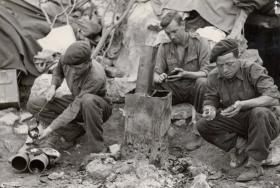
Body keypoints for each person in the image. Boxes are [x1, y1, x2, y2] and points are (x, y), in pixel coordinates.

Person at [197, 39, 280, 182]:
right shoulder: (214, 76)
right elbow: (211, 99)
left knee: (259, 112)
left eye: (229, 64)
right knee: (203, 124)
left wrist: (244, 104)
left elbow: (272, 97)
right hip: (240, 122)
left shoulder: (252, 69)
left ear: (239, 58)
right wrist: (209, 109)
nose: (225, 70)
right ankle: (242, 148)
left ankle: (254, 166)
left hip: (266, 122)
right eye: (220, 65)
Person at [27, 41, 112, 153]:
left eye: (78, 68)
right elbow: (58, 71)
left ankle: (97, 150)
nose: (74, 71)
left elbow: (74, 108)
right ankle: (73, 132)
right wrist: (53, 87)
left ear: (88, 62)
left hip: (97, 107)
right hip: (77, 99)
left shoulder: (96, 77)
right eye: (72, 68)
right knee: (33, 104)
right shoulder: (67, 60)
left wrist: (50, 129)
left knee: (88, 101)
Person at [154, 12, 211, 113]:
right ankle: (160, 118)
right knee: (154, 85)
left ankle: (200, 117)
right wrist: (159, 78)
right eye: (168, 33)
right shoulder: (164, 46)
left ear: (183, 25)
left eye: (174, 31)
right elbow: (156, 73)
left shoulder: (201, 43)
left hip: (193, 89)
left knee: (203, 83)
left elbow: (206, 73)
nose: (172, 36)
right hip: (174, 89)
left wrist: (186, 74)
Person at [229, 0, 280, 88]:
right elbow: (245, 7)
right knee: (257, 63)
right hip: (255, 31)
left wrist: (276, 14)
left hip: (272, 31)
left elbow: (277, 8)